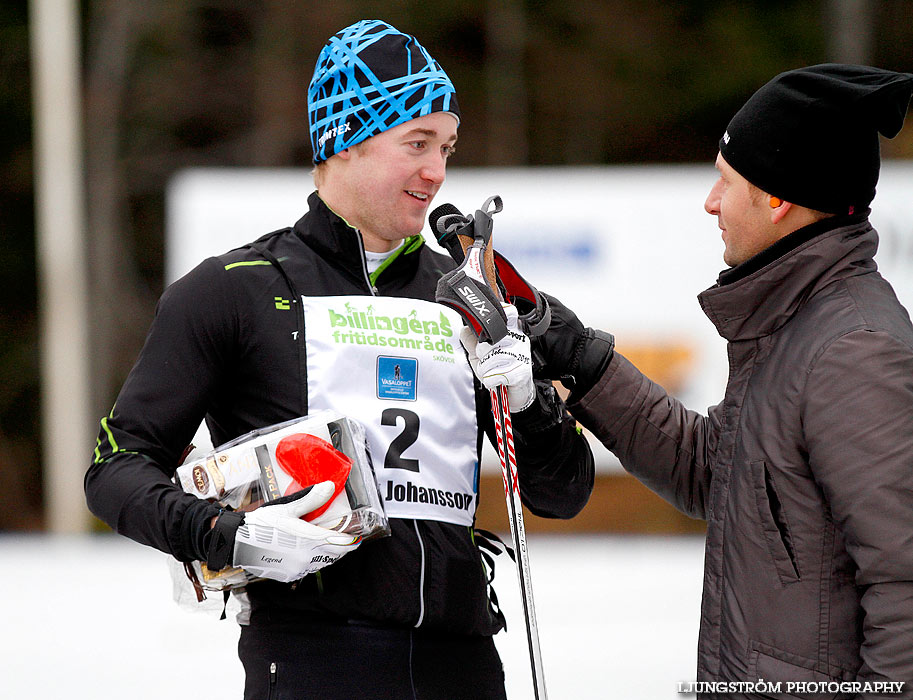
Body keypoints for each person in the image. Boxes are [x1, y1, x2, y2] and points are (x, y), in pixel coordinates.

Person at [85, 19, 593, 700]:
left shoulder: (467, 295)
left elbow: (562, 494)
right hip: (313, 659)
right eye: (415, 143)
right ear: (344, 141)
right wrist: (220, 533)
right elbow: (116, 468)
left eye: (445, 146)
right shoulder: (235, 288)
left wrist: (529, 407)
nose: (436, 171)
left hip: (462, 659)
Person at [526, 64, 913, 694]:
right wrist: (581, 359)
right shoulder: (793, 324)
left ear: (777, 197)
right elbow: (718, 472)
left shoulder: (852, 349)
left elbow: (905, 584)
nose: (710, 202)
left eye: (724, 180)